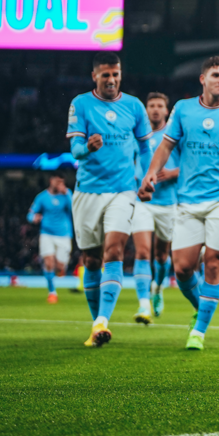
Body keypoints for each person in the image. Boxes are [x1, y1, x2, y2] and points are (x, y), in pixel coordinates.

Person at [140, 56, 219, 350]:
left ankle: (198, 331)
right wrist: (150, 173)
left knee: (213, 263)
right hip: (187, 200)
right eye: (216, 75)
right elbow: (166, 145)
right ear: (203, 79)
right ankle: (202, 307)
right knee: (183, 268)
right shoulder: (184, 109)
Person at [67, 52, 153, 347]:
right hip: (88, 191)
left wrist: (147, 176)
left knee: (114, 251)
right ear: (95, 76)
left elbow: (144, 148)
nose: (112, 80)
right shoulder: (81, 104)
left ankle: (103, 320)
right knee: (91, 259)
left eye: (116, 74)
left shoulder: (134, 106)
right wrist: (87, 147)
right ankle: (97, 325)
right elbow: (75, 150)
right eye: (106, 75)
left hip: (122, 190)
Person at [132, 92, 179, 320]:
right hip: (142, 201)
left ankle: (158, 289)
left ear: (166, 110)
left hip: (168, 203)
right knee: (142, 252)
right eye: (151, 105)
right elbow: (129, 165)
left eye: (160, 105)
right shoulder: (138, 137)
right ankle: (143, 305)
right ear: (146, 110)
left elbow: (190, 166)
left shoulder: (174, 135)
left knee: (161, 256)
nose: (155, 109)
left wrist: (172, 173)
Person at [27, 173, 73, 304]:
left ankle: (58, 271)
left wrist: (67, 195)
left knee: (60, 267)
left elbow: (74, 210)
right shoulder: (42, 197)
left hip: (64, 235)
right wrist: (33, 218)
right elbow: (30, 213)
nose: (59, 185)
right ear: (51, 181)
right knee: (48, 263)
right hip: (46, 233)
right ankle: (52, 292)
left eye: (61, 182)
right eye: (57, 182)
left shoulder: (67, 194)